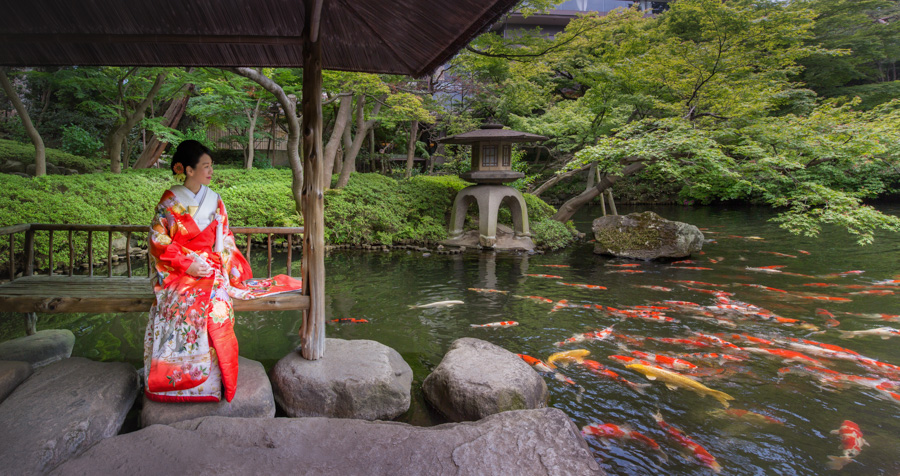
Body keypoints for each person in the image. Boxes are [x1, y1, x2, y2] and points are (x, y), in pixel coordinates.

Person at [143, 140, 254, 403]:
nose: (211, 171)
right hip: (179, 269)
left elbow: (225, 236)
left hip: (211, 267)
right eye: (205, 166)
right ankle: (180, 383)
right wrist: (187, 262)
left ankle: (213, 381)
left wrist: (220, 260)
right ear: (189, 170)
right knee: (179, 306)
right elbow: (158, 240)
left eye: (211, 166)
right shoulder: (169, 201)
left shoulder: (215, 199)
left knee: (217, 308)